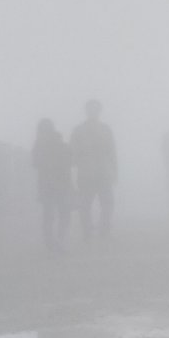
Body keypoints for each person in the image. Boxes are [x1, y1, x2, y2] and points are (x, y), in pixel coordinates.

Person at [71, 100, 117, 241]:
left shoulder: (105, 129)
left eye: (95, 110)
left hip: (103, 172)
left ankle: (103, 228)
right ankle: (87, 231)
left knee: (107, 204)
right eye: (91, 109)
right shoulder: (78, 131)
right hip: (87, 174)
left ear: (99, 111)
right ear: (87, 111)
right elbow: (73, 154)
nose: (93, 112)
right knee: (85, 205)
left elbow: (112, 152)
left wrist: (115, 171)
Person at [29, 118, 71, 251]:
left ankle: (53, 241)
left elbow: (35, 163)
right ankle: (58, 240)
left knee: (51, 214)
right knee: (61, 213)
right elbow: (68, 161)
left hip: (49, 184)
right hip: (58, 183)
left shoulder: (41, 145)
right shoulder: (58, 143)